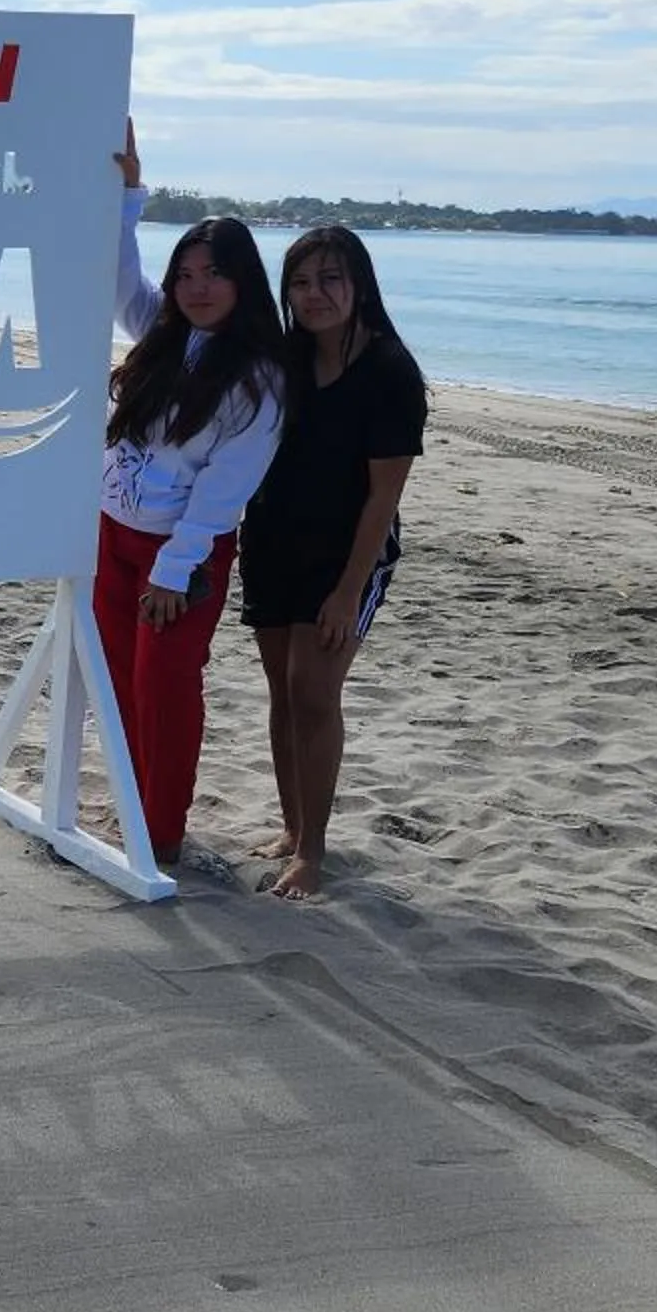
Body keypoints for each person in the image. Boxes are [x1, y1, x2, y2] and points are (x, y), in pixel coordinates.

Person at [95, 121, 288, 868]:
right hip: (111, 528)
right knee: (117, 675)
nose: (197, 288)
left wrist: (174, 573)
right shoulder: (164, 336)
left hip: (181, 551)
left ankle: (161, 834)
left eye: (213, 273)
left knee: (165, 686)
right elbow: (119, 283)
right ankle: (132, 807)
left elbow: (223, 490)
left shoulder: (258, 377)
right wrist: (127, 197)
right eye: (186, 274)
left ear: (243, 282)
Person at [241, 224, 429, 900]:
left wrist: (350, 591)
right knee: (284, 694)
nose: (314, 294)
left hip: (348, 555)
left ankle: (313, 854)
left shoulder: (388, 371)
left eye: (330, 279)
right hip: (270, 541)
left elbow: (384, 496)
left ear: (360, 286)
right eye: (300, 281)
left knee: (315, 694)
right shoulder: (286, 360)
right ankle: (293, 828)